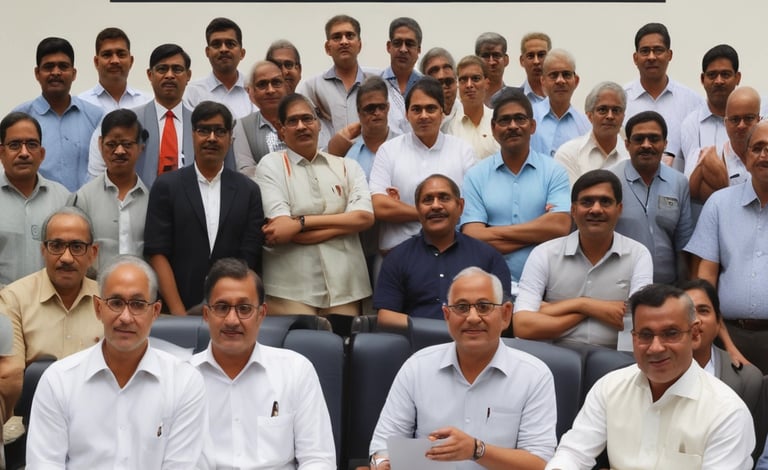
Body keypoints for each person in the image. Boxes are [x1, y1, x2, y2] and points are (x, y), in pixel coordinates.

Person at [25, 255, 210, 468]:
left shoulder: (184, 382)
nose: (125, 317)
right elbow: (44, 464)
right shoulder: (58, 380)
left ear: (155, 312)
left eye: (138, 304)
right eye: (115, 303)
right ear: (98, 308)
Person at [545, 284, 755, 470]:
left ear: (694, 334)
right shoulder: (610, 388)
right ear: (633, 338)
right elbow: (573, 453)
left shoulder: (727, 412)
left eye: (670, 333)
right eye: (645, 335)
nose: (655, 347)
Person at [369, 267, 557, 470]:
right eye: (462, 307)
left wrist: (476, 450)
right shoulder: (417, 367)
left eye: (484, 306)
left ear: (506, 314)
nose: (473, 317)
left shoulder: (534, 375)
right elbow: (382, 446)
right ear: (447, 315)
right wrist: (381, 464)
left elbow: (539, 463)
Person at [192, 257, 336, 469]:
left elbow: (318, 460)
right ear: (206, 315)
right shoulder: (183, 378)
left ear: (261, 314)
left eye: (244, 308)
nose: (232, 320)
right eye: (222, 307)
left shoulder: (295, 370)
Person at [255, 93, 372, 316]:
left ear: (319, 125)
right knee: (297, 349)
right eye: (292, 121)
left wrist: (301, 222)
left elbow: (364, 217)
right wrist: (344, 225)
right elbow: (281, 230)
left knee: (344, 348)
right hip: (290, 289)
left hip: (346, 286)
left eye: (307, 119)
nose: (301, 126)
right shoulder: (271, 165)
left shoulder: (347, 167)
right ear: (282, 130)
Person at [144, 101, 264, 315]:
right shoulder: (167, 186)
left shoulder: (249, 191)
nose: (211, 138)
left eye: (219, 131)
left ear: (230, 137)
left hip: (230, 310)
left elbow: (249, 255)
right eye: (204, 130)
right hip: (177, 308)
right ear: (192, 135)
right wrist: (178, 312)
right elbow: (157, 252)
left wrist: (229, 307)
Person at [513, 170, 653, 349]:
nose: (595, 209)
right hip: (555, 356)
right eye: (587, 202)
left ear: (619, 209)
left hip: (616, 360)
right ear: (573, 210)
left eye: (605, 201)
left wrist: (551, 309)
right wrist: (586, 306)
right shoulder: (544, 253)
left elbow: (641, 321)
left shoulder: (638, 254)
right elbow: (522, 326)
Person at [461, 88, 571, 291]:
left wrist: (493, 232)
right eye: (505, 120)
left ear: (532, 126)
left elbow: (560, 226)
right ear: (493, 129)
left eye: (520, 119)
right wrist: (538, 232)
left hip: (547, 286)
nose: (513, 126)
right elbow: (472, 237)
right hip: (490, 285)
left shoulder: (554, 171)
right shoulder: (475, 176)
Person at [685, 119, 768, 374]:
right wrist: (727, 345)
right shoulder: (719, 204)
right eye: (758, 148)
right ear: (745, 156)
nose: (764, 155)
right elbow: (705, 285)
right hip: (727, 336)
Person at [374, 174, 510, 329]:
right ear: (418, 210)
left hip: (474, 341)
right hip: (418, 347)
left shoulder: (488, 257)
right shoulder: (398, 257)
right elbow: (385, 317)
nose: (436, 205)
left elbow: (502, 315)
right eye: (428, 200)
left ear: (460, 206)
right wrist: (434, 331)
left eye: (444, 198)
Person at [1, 207, 102, 414]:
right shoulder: (12, 299)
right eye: (56, 246)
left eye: (76, 246)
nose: (66, 258)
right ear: (43, 250)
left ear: (92, 254)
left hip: (98, 416)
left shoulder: (109, 301)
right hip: (32, 417)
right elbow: (8, 376)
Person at [370, 77, 476, 256]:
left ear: (442, 113)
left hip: (452, 253)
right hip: (397, 254)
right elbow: (379, 206)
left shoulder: (462, 151)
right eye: (416, 109)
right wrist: (435, 213)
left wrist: (402, 209)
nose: (424, 115)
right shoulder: (388, 151)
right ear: (407, 114)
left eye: (431, 108)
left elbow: (470, 206)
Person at [87, 43, 196, 187]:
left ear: (188, 76)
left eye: (177, 69)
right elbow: (99, 173)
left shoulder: (200, 124)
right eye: (162, 69)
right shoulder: (127, 121)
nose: (169, 75)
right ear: (150, 75)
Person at [609, 111, 693, 284]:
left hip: (667, 290)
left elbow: (684, 245)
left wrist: (685, 289)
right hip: (619, 289)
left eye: (654, 139)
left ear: (665, 144)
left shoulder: (679, 182)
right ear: (627, 144)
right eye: (639, 139)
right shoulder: (609, 180)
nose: (646, 145)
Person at [13, 37, 103, 192]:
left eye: (63, 66)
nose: (56, 72)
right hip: (37, 209)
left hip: (85, 211)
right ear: (37, 73)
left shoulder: (95, 116)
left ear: (74, 73)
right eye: (48, 67)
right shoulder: (20, 118)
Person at [70, 108, 149, 274]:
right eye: (111, 144)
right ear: (100, 144)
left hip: (141, 297)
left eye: (127, 144)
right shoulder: (83, 198)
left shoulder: (152, 199)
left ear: (140, 147)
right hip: (95, 294)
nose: (119, 151)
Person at [0, 112, 70, 286]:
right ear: (1, 153)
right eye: (15, 145)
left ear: (42, 153)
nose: (24, 153)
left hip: (51, 306)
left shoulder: (63, 199)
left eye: (31, 144)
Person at [623, 22, 703, 168]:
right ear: (635, 58)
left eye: (658, 50)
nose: (651, 57)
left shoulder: (692, 102)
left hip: (677, 189)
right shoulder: (621, 100)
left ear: (669, 55)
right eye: (645, 51)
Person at [680, 279, 762, 417]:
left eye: (703, 311)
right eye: (688, 311)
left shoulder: (747, 379)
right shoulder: (653, 374)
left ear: (718, 322)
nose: (696, 320)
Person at [298, 14, 376, 135]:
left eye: (349, 36)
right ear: (327, 48)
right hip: (327, 153)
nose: (344, 42)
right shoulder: (312, 88)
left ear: (359, 45)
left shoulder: (375, 83)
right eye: (337, 37)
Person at [689, 86, 760, 203]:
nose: (741, 125)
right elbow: (694, 196)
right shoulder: (710, 159)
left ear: (759, 119)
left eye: (748, 118)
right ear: (726, 123)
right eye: (735, 119)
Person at [680, 44, 741, 177]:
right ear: (703, 79)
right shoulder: (691, 124)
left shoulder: (749, 122)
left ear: (738, 78)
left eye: (725, 74)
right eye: (712, 75)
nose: (718, 81)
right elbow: (692, 178)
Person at [555, 81, 629, 186]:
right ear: (590, 116)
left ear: (623, 116)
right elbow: (570, 199)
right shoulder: (568, 154)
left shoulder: (631, 154)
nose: (610, 116)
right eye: (603, 110)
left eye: (616, 110)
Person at [184, 17, 255, 118]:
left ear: (242, 53)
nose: (223, 49)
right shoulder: (192, 93)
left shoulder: (255, 89)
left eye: (230, 44)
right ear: (207, 52)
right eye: (216, 44)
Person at [233, 61, 288, 176]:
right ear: (251, 92)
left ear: (286, 87)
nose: (270, 90)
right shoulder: (242, 125)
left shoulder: (300, 120)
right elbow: (246, 171)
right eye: (262, 84)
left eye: (276, 82)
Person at [530, 49, 589, 158]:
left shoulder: (586, 125)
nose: (560, 81)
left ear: (576, 81)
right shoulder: (528, 118)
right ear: (543, 81)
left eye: (566, 74)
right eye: (553, 75)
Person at [78, 27, 151, 111]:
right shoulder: (81, 104)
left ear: (131, 61)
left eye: (121, 54)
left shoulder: (147, 104)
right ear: (96, 62)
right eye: (107, 55)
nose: (115, 61)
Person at [445, 55, 499, 159]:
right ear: (458, 85)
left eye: (475, 78)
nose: (469, 85)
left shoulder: (499, 121)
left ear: (487, 83)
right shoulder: (448, 128)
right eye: (463, 80)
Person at [381, 17, 424, 134]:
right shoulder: (377, 86)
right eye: (397, 43)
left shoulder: (426, 86)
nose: (403, 49)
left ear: (418, 50)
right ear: (389, 47)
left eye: (409, 44)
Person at [420, 47, 461, 130]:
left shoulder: (468, 114)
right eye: (439, 83)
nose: (441, 74)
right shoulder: (419, 118)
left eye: (448, 81)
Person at [474, 32, 511, 107]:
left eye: (496, 55)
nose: (491, 62)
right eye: (486, 56)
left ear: (506, 60)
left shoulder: (515, 100)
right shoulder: (468, 101)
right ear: (476, 61)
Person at [518, 33, 551, 105]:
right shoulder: (516, 100)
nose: (536, 61)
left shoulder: (560, 95)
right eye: (531, 56)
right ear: (522, 60)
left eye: (541, 55)